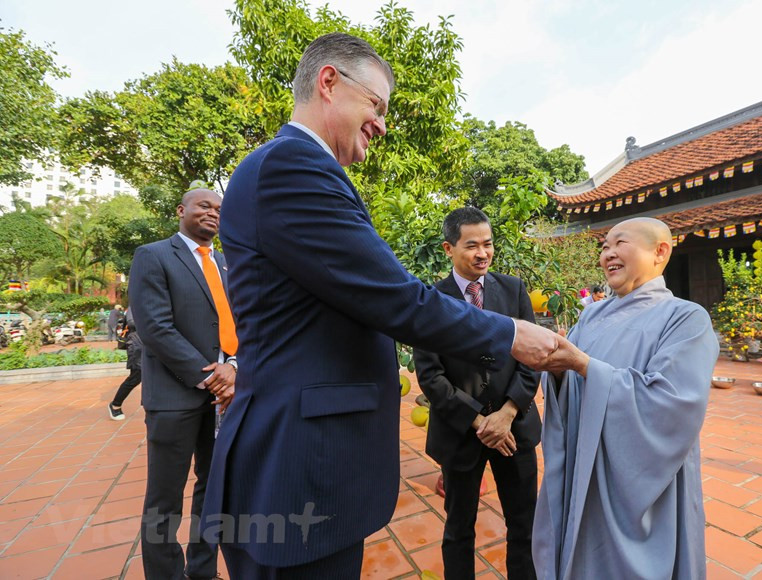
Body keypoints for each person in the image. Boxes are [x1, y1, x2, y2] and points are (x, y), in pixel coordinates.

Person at [201, 32, 568, 578]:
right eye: (376, 104)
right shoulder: (294, 168)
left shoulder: (297, 169)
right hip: (299, 463)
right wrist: (512, 335)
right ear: (329, 82)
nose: (382, 123)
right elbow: (394, 298)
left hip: (305, 453)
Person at [532, 217, 719, 579]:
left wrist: (586, 367)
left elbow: (672, 403)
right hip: (584, 462)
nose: (608, 254)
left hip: (641, 475)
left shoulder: (684, 318)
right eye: (604, 246)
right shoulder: (591, 316)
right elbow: (570, 386)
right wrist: (556, 373)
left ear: (659, 251)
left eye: (620, 243)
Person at [414, 208, 541, 580]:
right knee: (458, 530)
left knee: (525, 525)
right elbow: (430, 374)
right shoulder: (429, 301)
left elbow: (532, 359)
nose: (482, 253)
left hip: (514, 430)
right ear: (448, 248)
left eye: (488, 244)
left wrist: (507, 413)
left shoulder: (514, 290)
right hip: (460, 434)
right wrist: (479, 420)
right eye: (472, 246)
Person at [128, 188, 237, 580]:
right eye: (204, 205)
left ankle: (202, 571)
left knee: (213, 490)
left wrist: (235, 367)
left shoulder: (226, 263)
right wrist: (213, 377)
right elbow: (155, 327)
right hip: (175, 397)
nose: (213, 213)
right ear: (182, 210)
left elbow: (236, 323)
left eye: (219, 210)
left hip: (223, 399)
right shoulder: (153, 255)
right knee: (165, 499)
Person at [108, 307, 141, 421]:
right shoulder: (135, 304)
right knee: (136, 377)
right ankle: (115, 404)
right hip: (137, 346)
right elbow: (132, 323)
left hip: (150, 345)